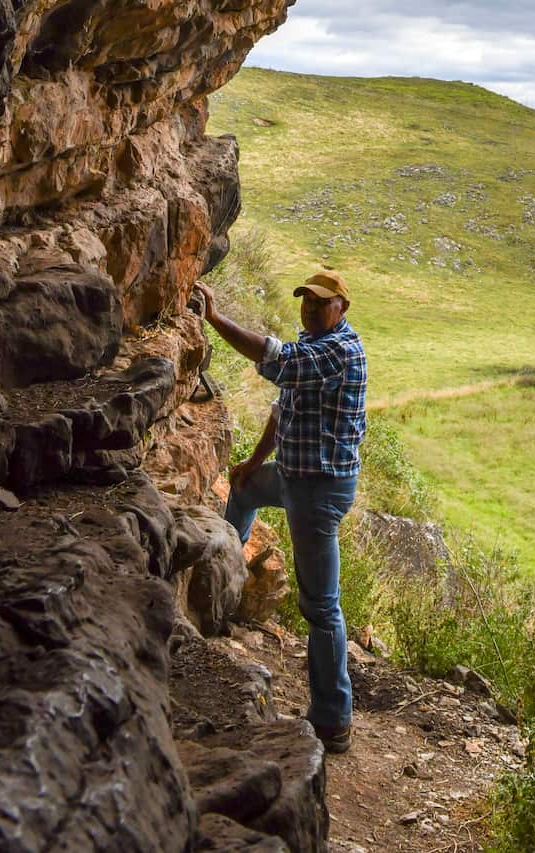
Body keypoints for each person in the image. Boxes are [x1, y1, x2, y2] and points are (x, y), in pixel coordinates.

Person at [192, 270, 367, 754]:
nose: (310, 309)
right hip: (293, 476)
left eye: (321, 303)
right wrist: (252, 462)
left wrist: (215, 318)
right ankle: (221, 591)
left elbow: (277, 358)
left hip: (319, 490)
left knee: (320, 605)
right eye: (306, 301)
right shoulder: (315, 342)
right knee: (244, 492)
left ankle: (333, 720)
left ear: (342, 308)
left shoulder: (339, 351)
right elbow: (281, 409)